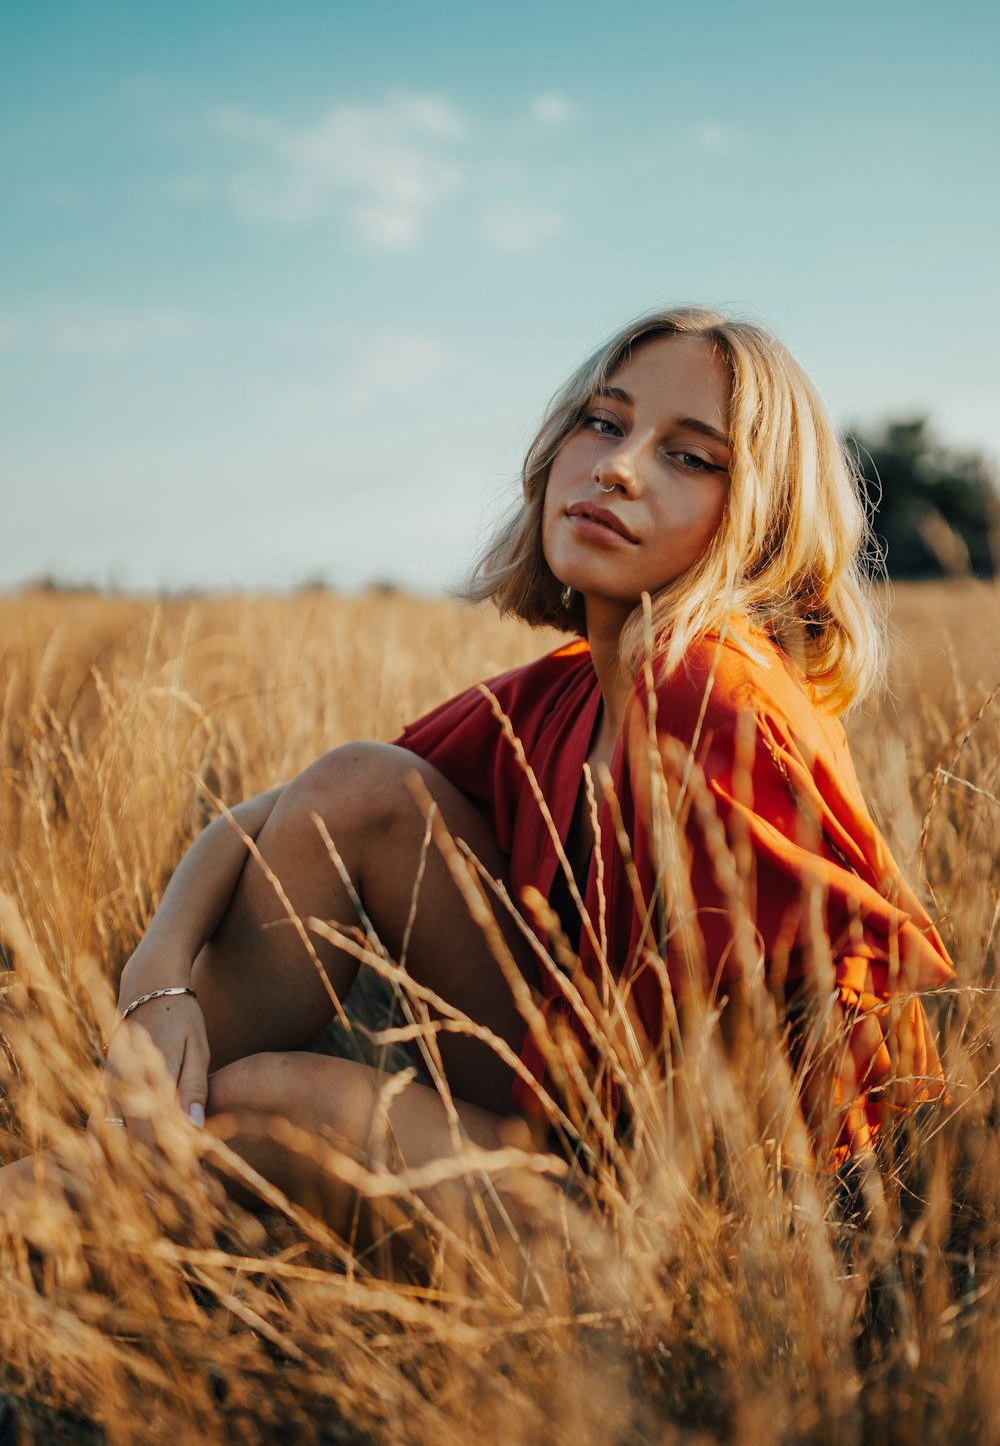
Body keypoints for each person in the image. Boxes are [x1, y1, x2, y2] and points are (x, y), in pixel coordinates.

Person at [1, 306, 954, 1250]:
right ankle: (116, 1154)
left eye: (689, 455)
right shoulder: (573, 686)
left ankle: (80, 1196)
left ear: (760, 521)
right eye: (606, 422)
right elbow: (284, 815)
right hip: (578, 1116)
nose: (617, 467)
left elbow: (740, 1107)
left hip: (677, 1227)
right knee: (359, 789)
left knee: (268, 1106)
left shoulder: (711, 695)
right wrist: (156, 977)